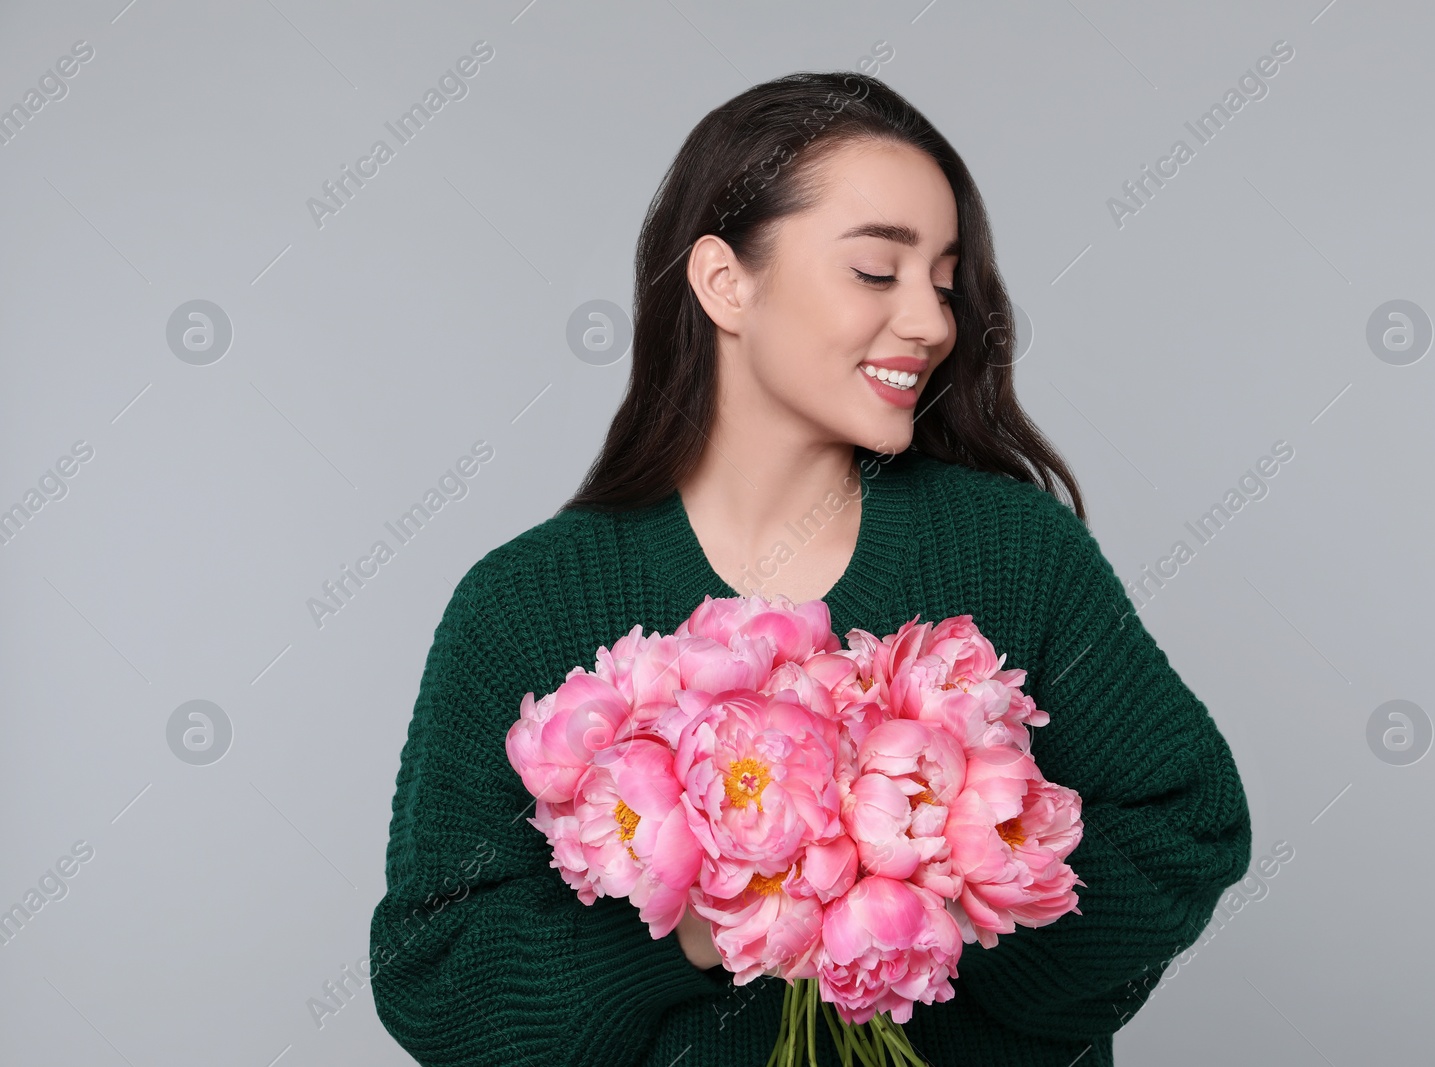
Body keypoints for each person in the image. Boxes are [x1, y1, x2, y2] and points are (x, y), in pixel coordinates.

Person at [369, 70, 1251, 1067]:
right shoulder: (527, 600)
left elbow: (1190, 821)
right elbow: (432, 970)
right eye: (878, 271)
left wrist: (929, 926)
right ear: (723, 282)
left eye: (945, 282)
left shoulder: (1013, 550)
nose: (930, 321)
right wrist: (707, 926)